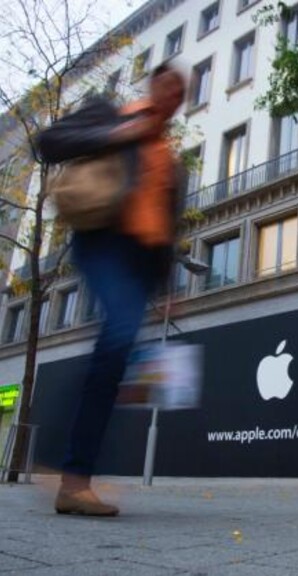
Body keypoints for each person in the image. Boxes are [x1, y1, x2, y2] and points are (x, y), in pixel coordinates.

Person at [51, 64, 185, 516]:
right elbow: (48, 143)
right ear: (153, 86)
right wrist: (119, 134)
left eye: (181, 91)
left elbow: (168, 224)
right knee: (119, 337)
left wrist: (167, 286)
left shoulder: (171, 159)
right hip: (101, 242)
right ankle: (72, 478)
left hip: (140, 262)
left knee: (115, 350)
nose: (173, 95)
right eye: (167, 85)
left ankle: (71, 475)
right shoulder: (112, 114)